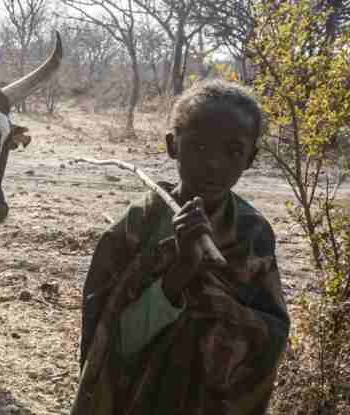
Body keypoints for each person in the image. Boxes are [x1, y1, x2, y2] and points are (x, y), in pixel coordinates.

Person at [71, 79, 290, 414]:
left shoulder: (252, 232)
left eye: (233, 151)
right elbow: (110, 344)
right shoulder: (133, 229)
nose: (214, 164)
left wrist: (216, 308)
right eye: (199, 147)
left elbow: (270, 337)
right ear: (173, 146)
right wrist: (180, 272)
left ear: (250, 159)